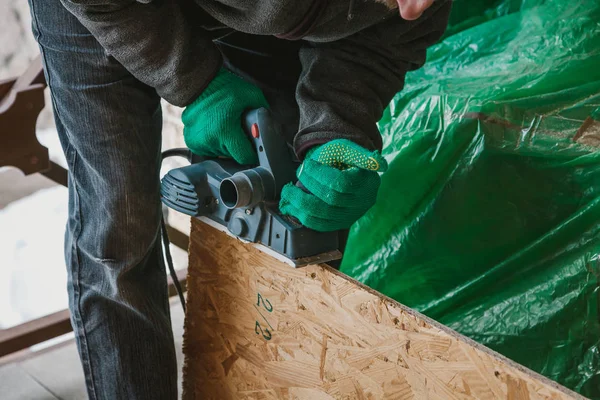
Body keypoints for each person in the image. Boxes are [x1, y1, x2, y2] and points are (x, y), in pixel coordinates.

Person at [28, 0, 451, 398]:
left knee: (279, 206)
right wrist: (196, 82)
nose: (414, 7)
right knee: (120, 219)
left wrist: (333, 127)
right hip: (106, 10)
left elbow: (376, 47)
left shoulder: (419, 4)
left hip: (270, 17)